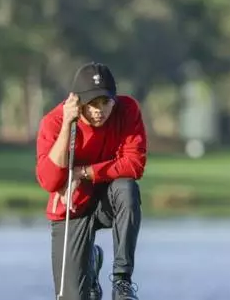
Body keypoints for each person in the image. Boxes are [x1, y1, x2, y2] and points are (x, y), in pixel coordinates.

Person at [35, 62, 148, 300]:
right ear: (76, 102)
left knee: (127, 189)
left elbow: (134, 165)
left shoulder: (127, 110)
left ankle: (121, 281)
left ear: (114, 100)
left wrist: (81, 172)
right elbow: (49, 181)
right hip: (72, 206)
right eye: (92, 104)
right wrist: (68, 124)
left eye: (105, 103)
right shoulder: (54, 122)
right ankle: (90, 263)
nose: (99, 110)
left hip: (109, 201)